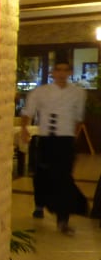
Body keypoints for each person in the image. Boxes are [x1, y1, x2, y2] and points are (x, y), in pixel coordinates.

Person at [20, 60, 86, 235]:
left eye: (65, 70)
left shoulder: (78, 93)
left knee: (64, 179)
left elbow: (79, 118)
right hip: (46, 139)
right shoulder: (40, 91)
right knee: (41, 175)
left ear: (70, 72)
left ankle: (63, 220)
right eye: (58, 70)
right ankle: (39, 205)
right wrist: (24, 129)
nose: (62, 74)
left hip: (65, 141)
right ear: (53, 73)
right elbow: (28, 111)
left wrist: (74, 138)